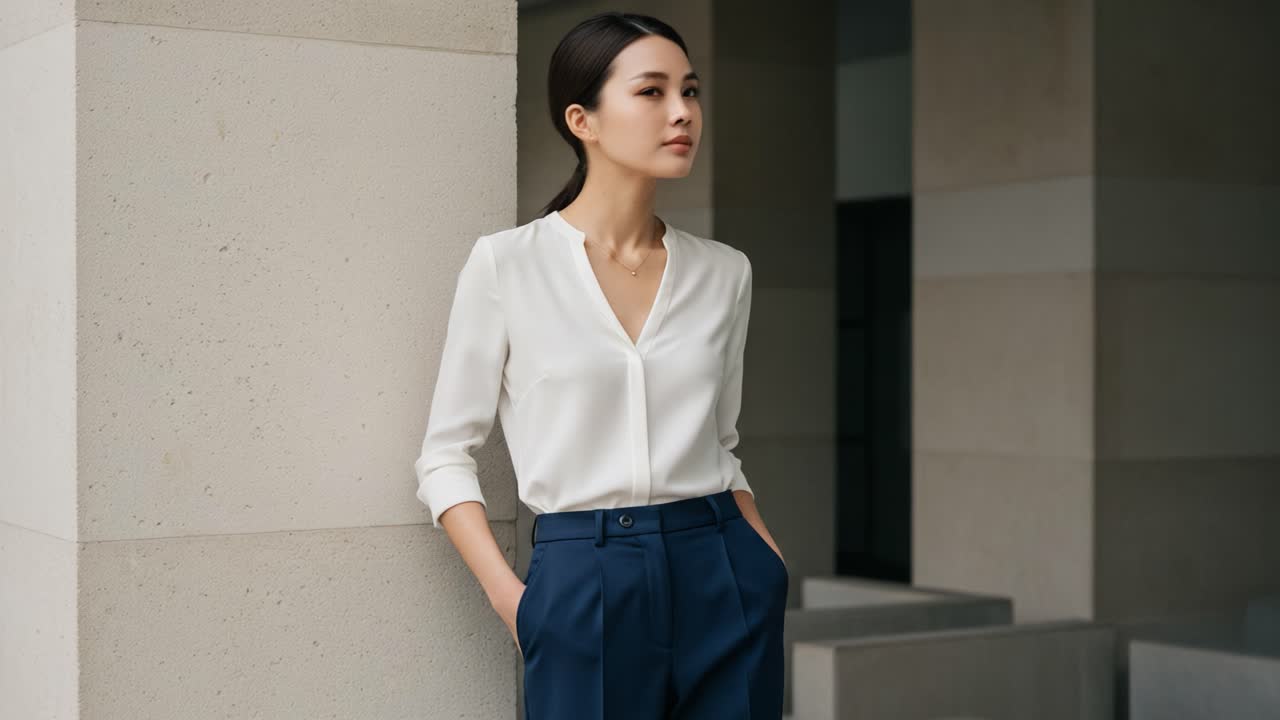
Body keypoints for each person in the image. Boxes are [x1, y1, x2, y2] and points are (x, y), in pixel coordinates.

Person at [414, 11, 788, 719]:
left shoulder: (725, 273)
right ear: (582, 119)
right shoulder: (508, 265)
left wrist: (764, 561)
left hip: (723, 568)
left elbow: (722, 443)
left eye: (691, 90)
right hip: (583, 580)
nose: (682, 113)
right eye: (651, 92)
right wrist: (517, 605)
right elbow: (443, 457)